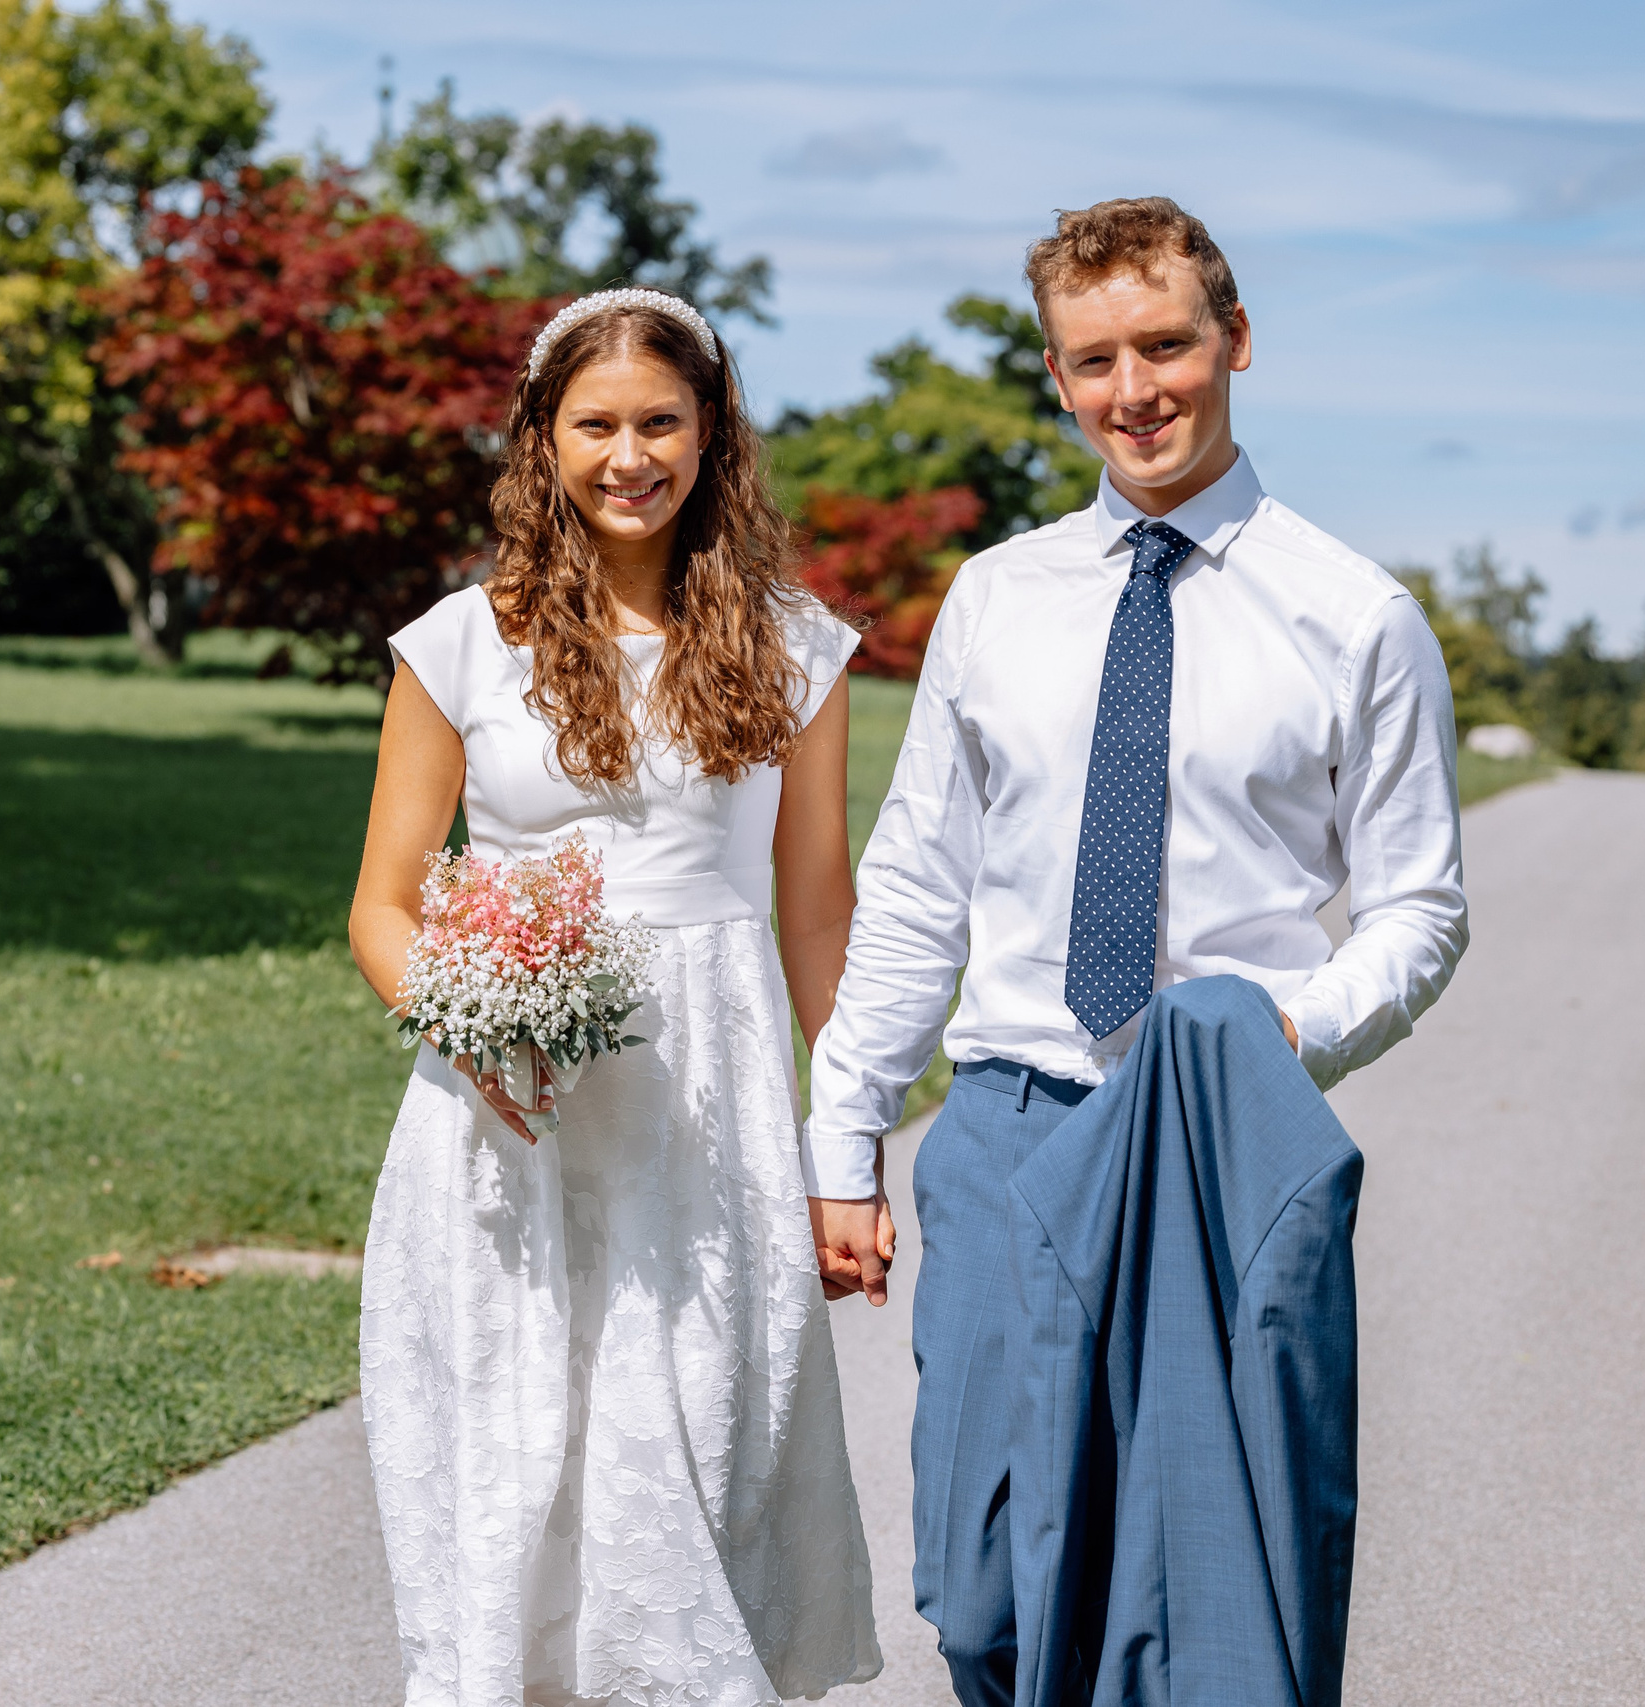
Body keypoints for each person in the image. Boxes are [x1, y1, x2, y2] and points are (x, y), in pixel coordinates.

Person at [800, 198, 1467, 1705]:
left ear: (1235, 341)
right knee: (981, 1599)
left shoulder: (1354, 615)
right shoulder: (1000, 599)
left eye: (1167, 344)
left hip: (1222, 1137)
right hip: (1011, 1123)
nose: (1136, 388)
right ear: (1056, 375)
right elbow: (919, 883)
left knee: (1210, 1605)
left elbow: (1421, 906)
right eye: (1095, 359)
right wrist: (845, 1134)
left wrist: (1288, 1040)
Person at [349, 288, 883, 1707]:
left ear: (713, 436)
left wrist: (852, 1146)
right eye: (596, 424)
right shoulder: (460, 643)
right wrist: (472, 1024)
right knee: (520, 1444)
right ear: (544, 438)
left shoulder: (797, 650)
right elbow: (385, 903)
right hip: (506, 1107)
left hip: (708, 1102)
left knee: (696, 1442)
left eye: (661, 422)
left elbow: (817, 910)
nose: (628, 455)